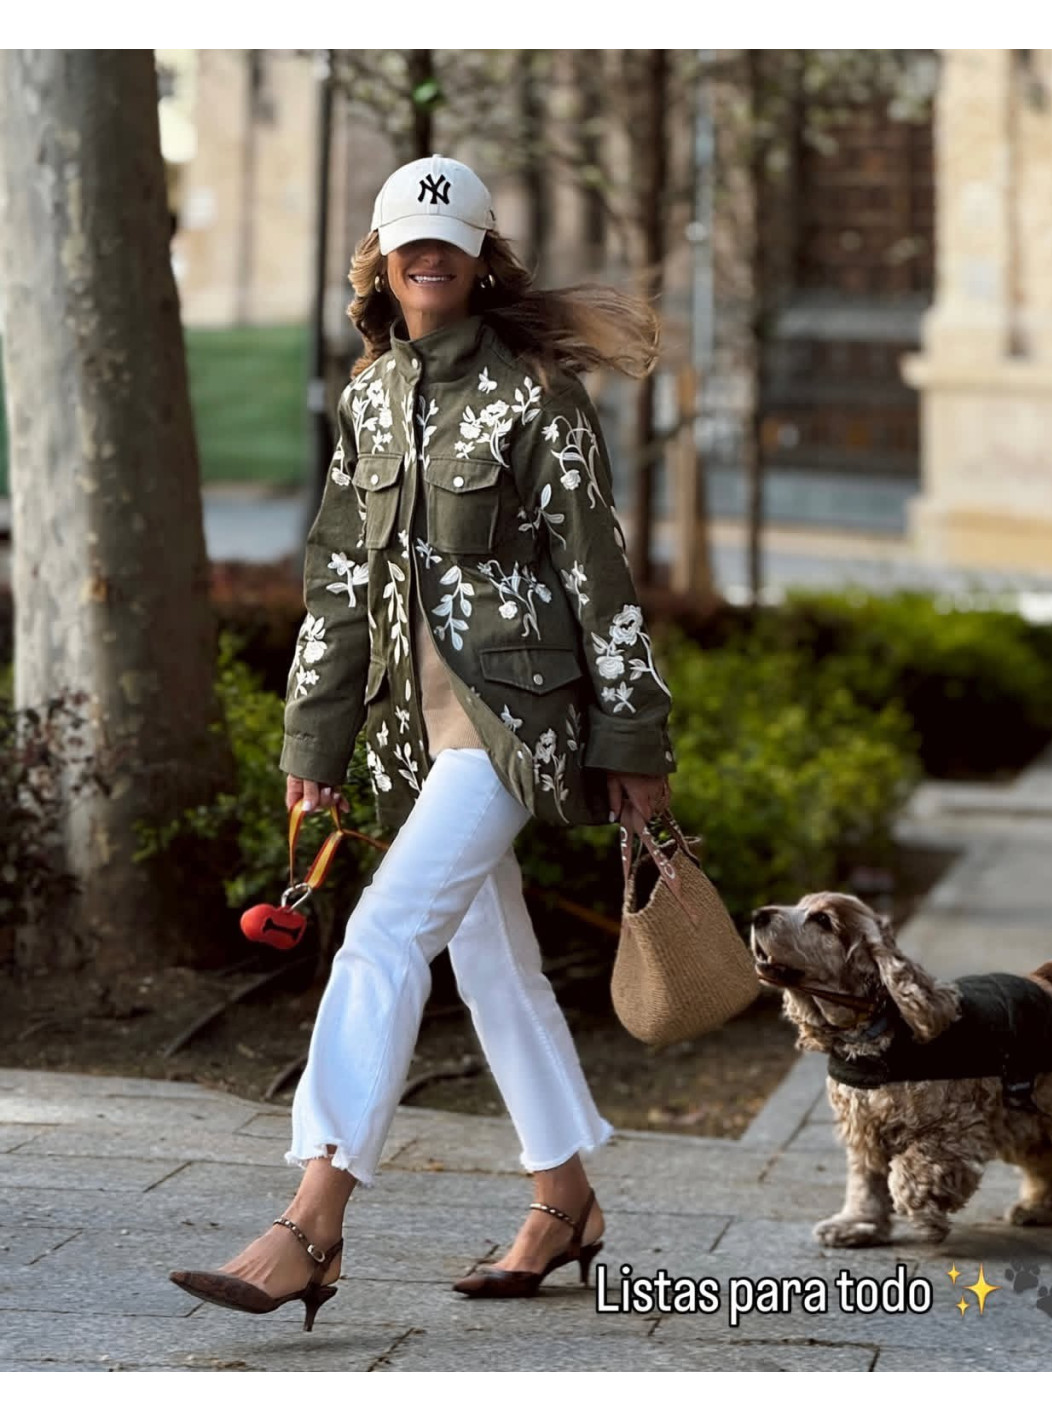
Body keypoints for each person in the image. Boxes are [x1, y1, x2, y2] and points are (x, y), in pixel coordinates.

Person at [169, 154, 674, 1328]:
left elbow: (599, 577)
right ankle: (565, 1203)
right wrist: (314, 743)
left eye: (450, 238)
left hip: (515, 726)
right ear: (385, 261)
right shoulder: (370, 398)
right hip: (413, 732)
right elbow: (339, 586)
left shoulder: (537, 396)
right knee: (491, 963)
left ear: (480, 257)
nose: (429, 254)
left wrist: (633, 738)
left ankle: (312, 1221)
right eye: (410, 239)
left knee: (384, 935)